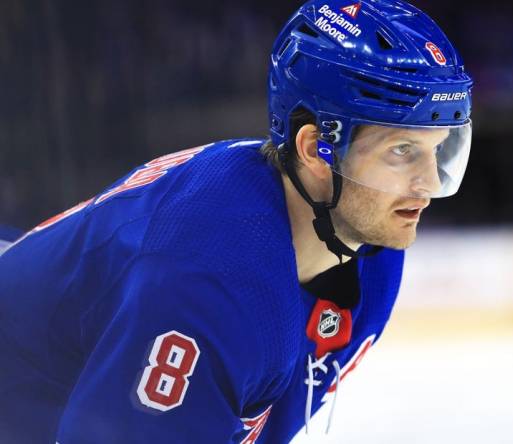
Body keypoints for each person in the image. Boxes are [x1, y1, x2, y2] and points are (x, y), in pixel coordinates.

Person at [0, 0, 472, 442]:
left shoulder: (370, 253)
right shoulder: (207, 279)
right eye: (402, 151)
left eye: (438, 149)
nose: (428, 183)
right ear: (315, 149)